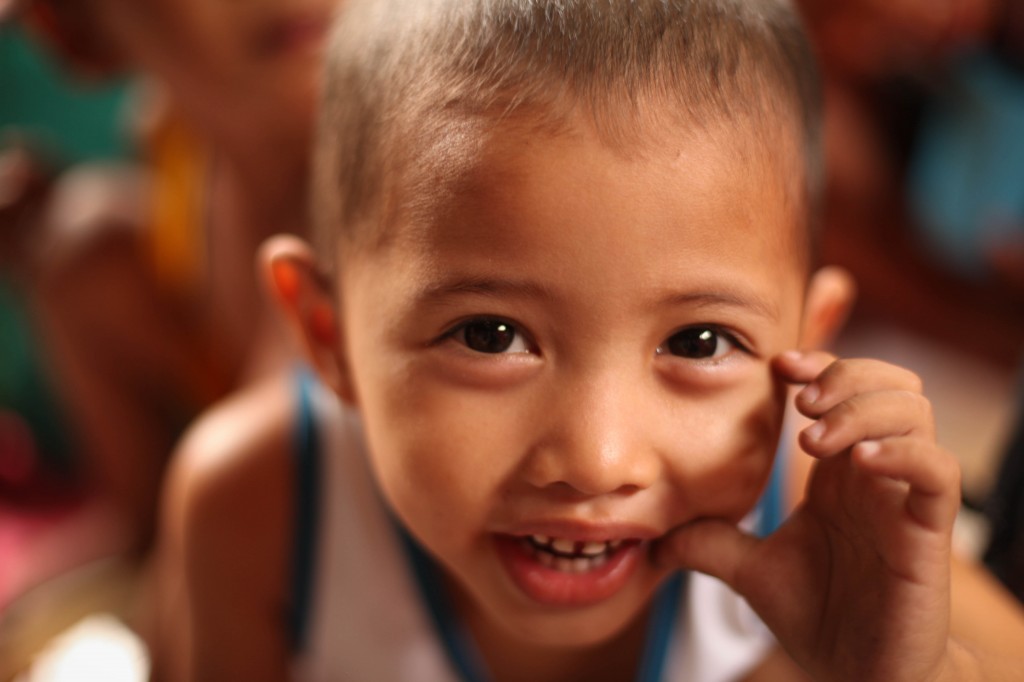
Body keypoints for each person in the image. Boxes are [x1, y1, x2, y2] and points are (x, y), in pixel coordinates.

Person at [153, 0, 1024, 680]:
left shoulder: (813, 506)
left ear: (804, 341)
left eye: (699, 341)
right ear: (327, 333)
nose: (598, 458)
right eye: (490, 336)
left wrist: (908, 673)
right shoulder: (258, 503)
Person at [4, 0, 340, 549]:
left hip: (308, 507)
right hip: (225, 394)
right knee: (79, 247)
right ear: (77, 35)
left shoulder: (413, 156)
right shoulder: (174, 131)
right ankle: (142, 536)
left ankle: (174, 563)